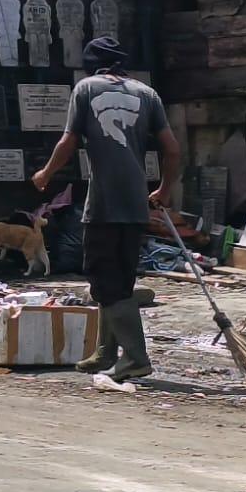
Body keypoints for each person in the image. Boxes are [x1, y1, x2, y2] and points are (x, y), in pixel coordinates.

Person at [33, 37, 181, 381]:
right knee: (120, 278)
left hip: (104, 202)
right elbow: (172, 150)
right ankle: (106, 352)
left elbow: (68, 141)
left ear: (91, 64)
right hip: (135, 204)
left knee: (102, 277)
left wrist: (45, 173)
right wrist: (164, 189)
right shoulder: (148, 94)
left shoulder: (86, 88)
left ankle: (135, 357)